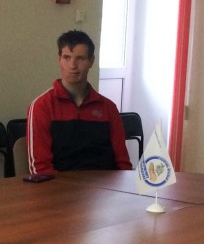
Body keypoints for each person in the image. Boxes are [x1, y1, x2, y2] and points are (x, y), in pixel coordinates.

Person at [26, 30, 132, 175]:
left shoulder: (109, 108)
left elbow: (123, 163)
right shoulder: (41, 106)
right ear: (59, 59)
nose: (72, 65)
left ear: (91, 61)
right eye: (66, 57)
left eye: (80, 58)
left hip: (105, 185)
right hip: (60, 186)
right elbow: (40, 169)